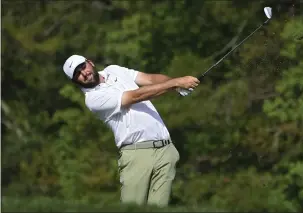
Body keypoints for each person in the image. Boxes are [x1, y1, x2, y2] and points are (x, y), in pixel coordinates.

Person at [62, 54, 200, 207]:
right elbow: (135, 96)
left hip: (166, 151)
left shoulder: (113, 70)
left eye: (82, 66)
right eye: (77, 74)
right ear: (75, 81)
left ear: (90, 62)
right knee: (132, 209)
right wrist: (175, 83)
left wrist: (176, 85)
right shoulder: (93, 99)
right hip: (137, 154)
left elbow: (149, 79)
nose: (84, 73)